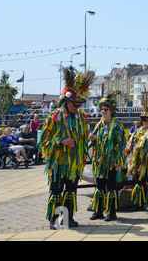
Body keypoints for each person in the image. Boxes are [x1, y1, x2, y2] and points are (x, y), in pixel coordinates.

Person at [39, 67, 94, 230]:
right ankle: (54, 219)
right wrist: (61, 140)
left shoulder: (81, 117)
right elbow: (43, 139)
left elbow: (83, 136)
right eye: (75, 104)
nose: (77, 107)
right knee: (56, 191)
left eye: (79, 104)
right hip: (58, 162)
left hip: (74, 163)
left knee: (71, 190)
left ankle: (68, 218)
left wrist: (88, 140)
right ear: (67, 101)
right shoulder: (55, 116)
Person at [88, 91, 126, 222]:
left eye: (106, 109)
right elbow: (96, 141)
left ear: (111, 111)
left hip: (111, 162)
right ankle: (99, 211)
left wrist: (119, 163)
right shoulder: (100, 124)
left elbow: (121, 145)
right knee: (99, 186)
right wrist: (93, 139)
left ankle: (111, 212)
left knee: (110, 187)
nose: (103, 111)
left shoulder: (117, 125)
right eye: (102, 109)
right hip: (99, 162)